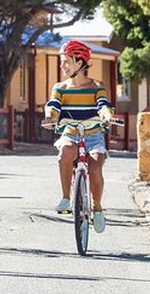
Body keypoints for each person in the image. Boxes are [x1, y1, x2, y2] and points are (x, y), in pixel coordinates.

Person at [42, 40, 115, 233]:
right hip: (70, 133)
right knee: (65, 151)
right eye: (62, 61)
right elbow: (54, 106)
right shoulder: (60, 87)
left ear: (80, 63)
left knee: (96, 167)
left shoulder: (97, 85)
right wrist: (50, 118)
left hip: (93, 135)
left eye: (66, 61)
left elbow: (103, 105)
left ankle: (97, 207)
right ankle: (66, 198)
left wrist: (107, 116)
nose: (62, 66)